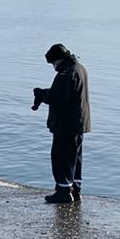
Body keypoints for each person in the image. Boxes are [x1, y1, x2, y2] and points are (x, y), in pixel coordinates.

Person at [31, 43, 90, 204]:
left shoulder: (66, 72)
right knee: (75, 157)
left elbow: (57, 96)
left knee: (61, 157)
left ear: (58, 59)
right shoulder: (79, 68)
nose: (53, 67)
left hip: (66, 124)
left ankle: (63, 191)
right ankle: (75, 190)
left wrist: (41, 94)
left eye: (53, 63)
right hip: (78, 122)